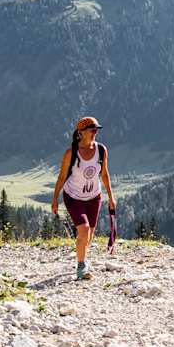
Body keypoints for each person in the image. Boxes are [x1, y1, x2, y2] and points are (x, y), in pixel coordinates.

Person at [51, 116, 117, 280]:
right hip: (74, 196)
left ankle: (83, 258)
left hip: (94, 197)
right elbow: (61, 177)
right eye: (92, 130)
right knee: (84, 229)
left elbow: (104, 174)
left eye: (96, 130)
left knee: (90, 233)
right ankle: (81, 267)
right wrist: (54, 199)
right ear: (81, 133)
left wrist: (111, 196)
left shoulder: (101, 150)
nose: (95, 133)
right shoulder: (71, 153)